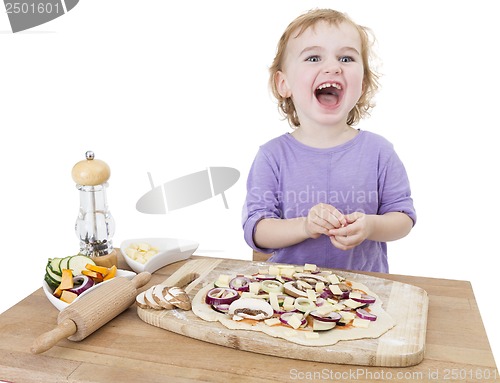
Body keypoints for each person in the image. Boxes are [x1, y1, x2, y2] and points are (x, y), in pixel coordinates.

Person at [242, 9, 416, 273]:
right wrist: (304, 226)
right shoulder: (272, 156)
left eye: (346, 58)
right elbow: (256, 231)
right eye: (313, 57)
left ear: (363, 83)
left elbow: (403, 219)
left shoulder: (379, 152)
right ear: (283, 83)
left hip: (365, 293)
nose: (333, 66)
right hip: (289, 295)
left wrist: (371, 226)